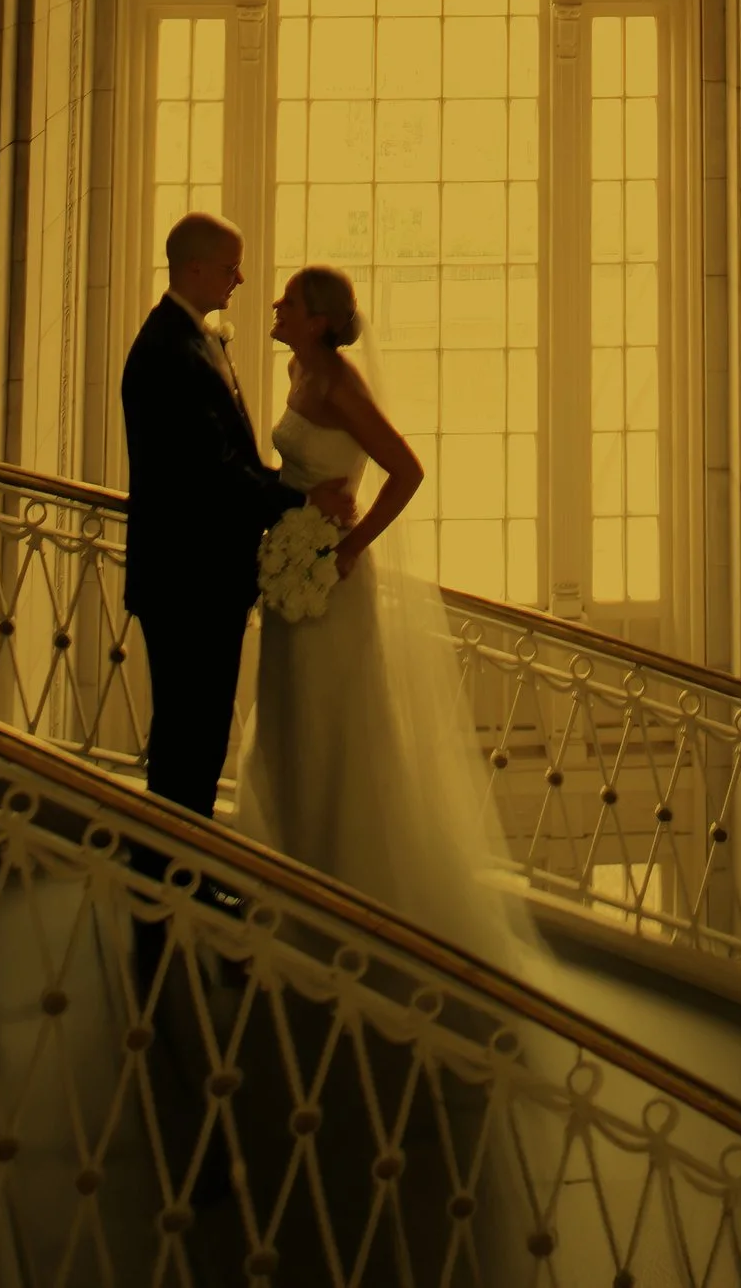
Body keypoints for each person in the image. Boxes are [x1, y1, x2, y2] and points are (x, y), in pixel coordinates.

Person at [233, 262, 532, 974]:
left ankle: (341, 896)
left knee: (332, 725)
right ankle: (292, 878)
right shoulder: (296, 378)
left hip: (330, 580)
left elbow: (406, 469)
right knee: (287, 718)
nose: (275, 306)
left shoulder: (340, 386)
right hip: (290, 568)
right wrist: (294, 517)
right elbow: (297, 473)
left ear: (319, 321)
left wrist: (348, 546)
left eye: (290, 301)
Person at [118, 210, 351, 829]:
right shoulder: (173, 351)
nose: (241, 278)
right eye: (230, 266)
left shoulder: (192, 337)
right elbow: (214, 472)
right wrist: (302, 502)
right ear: (194, 267)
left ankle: (180, 868)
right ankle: (172, 880)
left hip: (197, 580)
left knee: (197, 738)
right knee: (187, 745)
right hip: (188, 583)